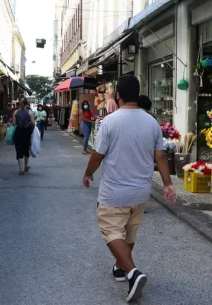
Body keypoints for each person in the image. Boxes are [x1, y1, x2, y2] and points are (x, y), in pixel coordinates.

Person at [82, 75, 177, 303]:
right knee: (129, 231)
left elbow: (98, 154)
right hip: (141, 192)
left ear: (118, 96)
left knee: (112, 230)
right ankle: (119, 267)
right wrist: (167, 184)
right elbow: (160, 157)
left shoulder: (110, 122)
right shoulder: (151, 122)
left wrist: (88, 173)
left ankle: (133, 273)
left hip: (114, 192)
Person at [12, 98, 35, 175]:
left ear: (19, 104)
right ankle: (25, 166)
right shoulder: (30, 112)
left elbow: (13, 123)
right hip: (27, 133)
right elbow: (33, 123)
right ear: (26, 104)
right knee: (26, 149)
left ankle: (21, 169)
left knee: (19, 150)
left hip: (18, 132)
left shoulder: (15, 112)